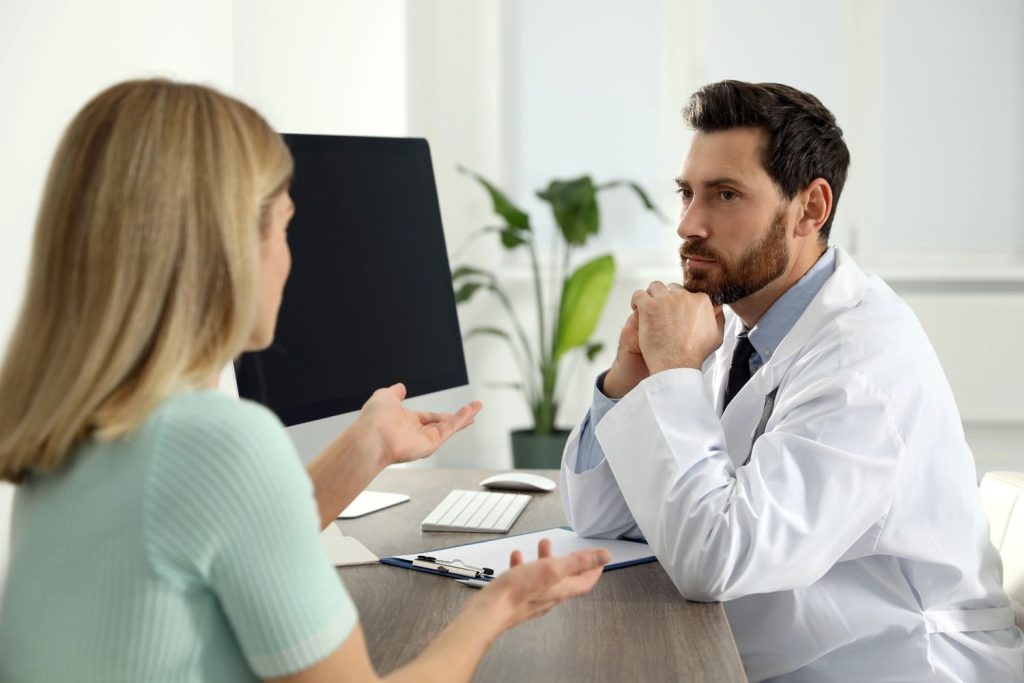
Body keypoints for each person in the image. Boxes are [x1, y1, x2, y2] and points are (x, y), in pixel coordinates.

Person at [0, 79, 610, 683]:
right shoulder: (218, 441)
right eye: (285, 226)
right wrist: (494, 608)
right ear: (228, 247)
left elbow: (232, 527)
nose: (289, 257)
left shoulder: (71, 432)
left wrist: (367, 445)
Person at [560, 80, 1024, 682]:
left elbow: (716, 561)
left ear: (811, 208)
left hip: (894, 663)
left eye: (725, 195)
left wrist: (674, 375)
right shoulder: (738, 327)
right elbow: (600, 520)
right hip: (781, 651)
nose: (688, 225)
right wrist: (630, 383)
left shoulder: (862, 364)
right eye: (687, 194)